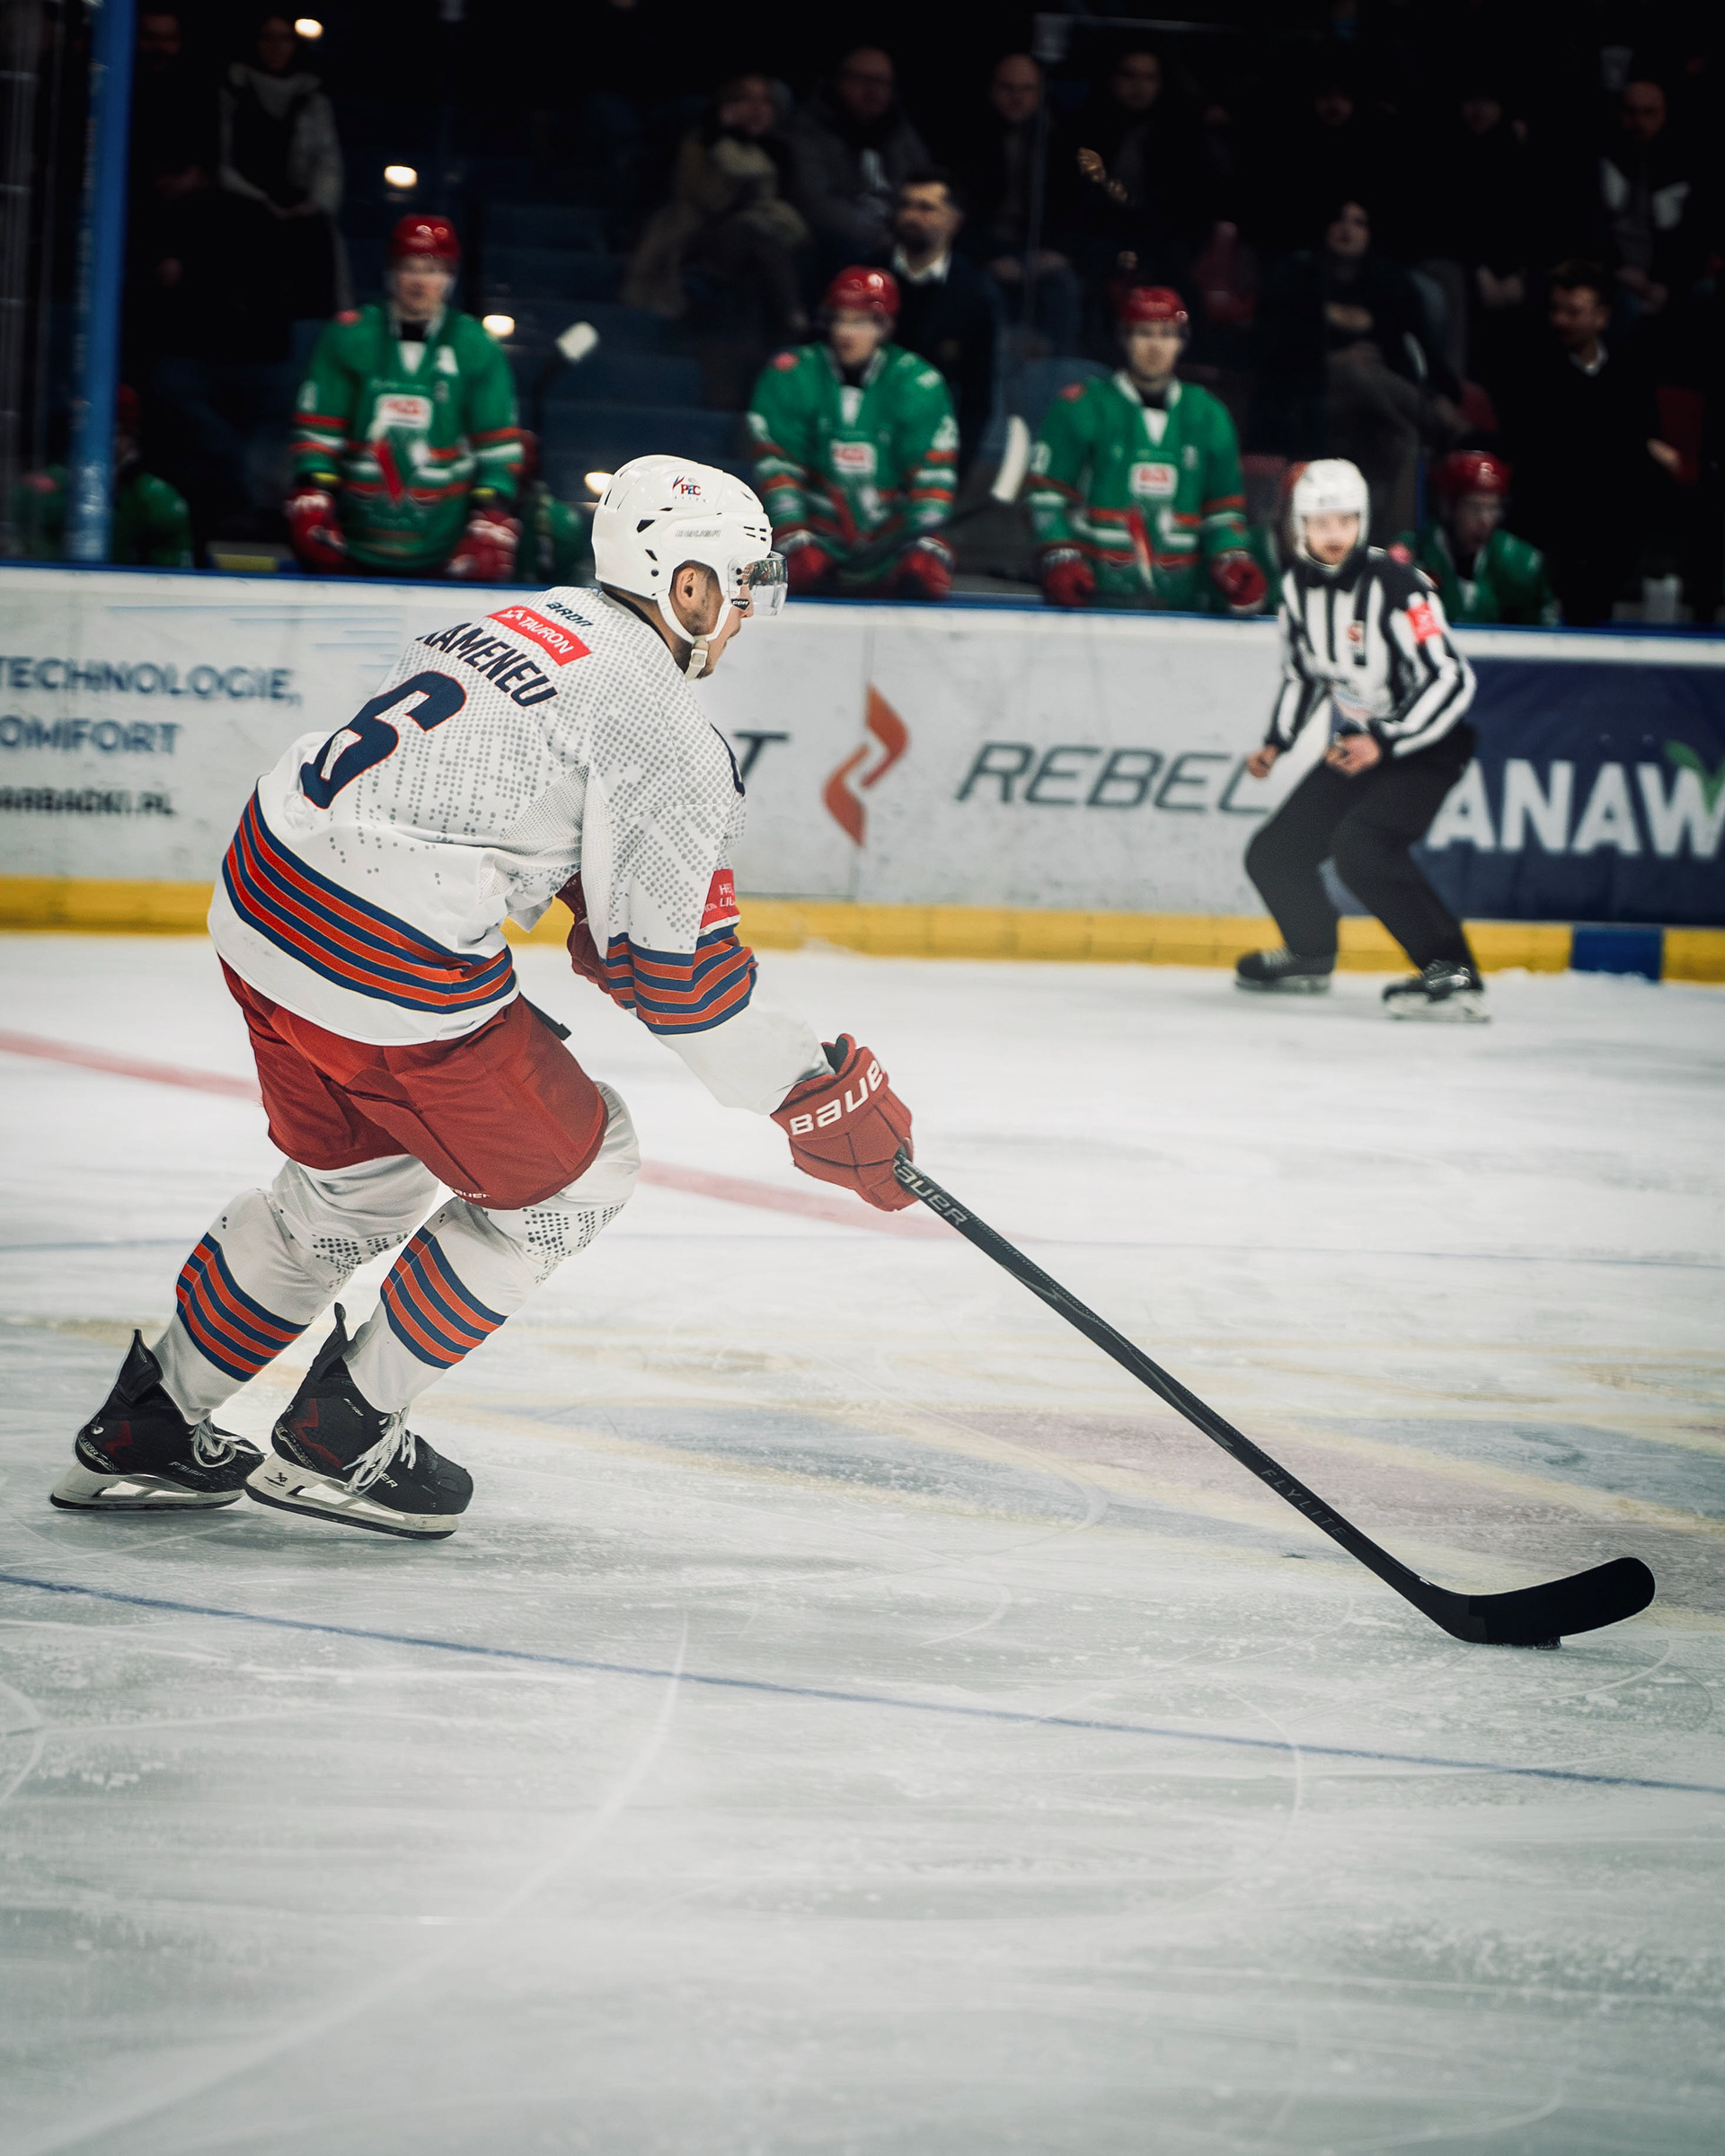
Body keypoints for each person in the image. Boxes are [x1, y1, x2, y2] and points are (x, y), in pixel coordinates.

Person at [49, 455, 918, 1538]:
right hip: (383, 958)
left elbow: (479, 803)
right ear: (686, 583)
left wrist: (605, 911)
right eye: (740, 586)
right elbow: (684, 982)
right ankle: (341, 1435)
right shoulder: (666, 729)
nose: (744, 613)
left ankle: (149, 1428)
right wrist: (814, 1093)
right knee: (581, 1170)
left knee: (347, 1193)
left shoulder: (522, 619)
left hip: (263, 896)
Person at [1235, 459, 1485, 1021]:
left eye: (1346, 521)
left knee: (1363, 848)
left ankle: (1454, 972)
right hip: (1359, 744)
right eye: (1321, 523)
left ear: (1362, 522)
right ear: (1299, 527)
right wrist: (1277, 741)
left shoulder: (1398, 585)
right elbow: (1305, 676)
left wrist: (1388, 741)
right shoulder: (1295, 589)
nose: (1335, 534)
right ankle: (1309, 951)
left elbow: (1451, 678)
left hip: (1425, 746)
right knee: (1274, 853)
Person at [287, 214, 522, 580]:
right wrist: (314, 495)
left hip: (444, 552)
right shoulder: (349, 336)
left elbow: (498, 452)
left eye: (433, 269)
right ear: (390, 271)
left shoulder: (476, 345)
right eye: (408, 267)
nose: (419, 281)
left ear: (450, 277)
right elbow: (318, 438)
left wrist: (492, 513)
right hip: (348, 546)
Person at [1026, 285, 1263, 614]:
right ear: (1124, 338)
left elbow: (1223, 512)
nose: (1155, 346)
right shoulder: (1081, 407)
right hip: (1091, 601)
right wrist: (1059, 557)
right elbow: (1046, 499)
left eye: (1166, 334)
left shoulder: (1208, 415)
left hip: (1183, 607)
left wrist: (1233, 560)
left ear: (1182, 341)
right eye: (1144, 333)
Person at [747, 266, 959, 600]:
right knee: (764, 583)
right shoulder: (790, 374)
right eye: (840, 320)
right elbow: (778, 468)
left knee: (927, 575)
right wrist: (793, 534)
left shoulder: (919, 383)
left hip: (893, 548)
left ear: (885, 326)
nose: (846, 332)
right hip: (809, 548)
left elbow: (931, 479)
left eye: (860, 322)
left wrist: (925, 542)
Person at [1254, 199, 1460, 541]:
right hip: (1312, 395)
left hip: (1375, 403)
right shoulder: (1297, 275)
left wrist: (1441, 389)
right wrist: (1331, 361)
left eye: (1358, 222)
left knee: (1406, 441)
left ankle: (1398, 547)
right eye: (1339, 220)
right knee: (1358, 374)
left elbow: (1418, 347)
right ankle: (1434, 415)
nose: (1347, 229)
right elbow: (1271, 350)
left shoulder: (1388, 282)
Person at [1499, 260, 1677, 625]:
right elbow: (1544, 441)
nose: (1560, 320)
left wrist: (1639, 445)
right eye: (1556, 310)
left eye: (1573, 312)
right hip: (1551, 502)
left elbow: (1642, 434)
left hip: (1610, 506)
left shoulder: (1628, 368)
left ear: (1602, 316)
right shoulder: (1534, 365)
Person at [621, 72, 809, 340]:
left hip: (761, 245)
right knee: (752, 232)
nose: (756, 108)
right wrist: (721, 141)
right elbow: (709, 202)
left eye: (765, 101)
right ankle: (793, 318)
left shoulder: (782, 151)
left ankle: (785, 329)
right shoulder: (702, 144)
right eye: (745, 99)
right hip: (698, 238)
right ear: (726, 106)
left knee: (769, 243)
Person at [217, 13, 343, 323]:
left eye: (285, 38)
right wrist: (261, 201)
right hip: (241, 216)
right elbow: (219, 159)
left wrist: (312, 204)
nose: (276, 47)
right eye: (268, 38)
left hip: (300, 219)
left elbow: (327, 160)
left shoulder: (312, 98)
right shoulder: (231, 93)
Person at [872, 171, 996, 477]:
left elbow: (977, 397)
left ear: (954, 220)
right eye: (906, 205)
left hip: (927, 453)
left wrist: (954, 472)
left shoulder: (974, 294)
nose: (911, 216)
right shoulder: (865, 275)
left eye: (926, 208)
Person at [956, 53, 1080, 353]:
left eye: (1026, 89)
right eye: (1008, 88)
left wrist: (1057, 251)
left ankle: (1054, 375)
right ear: (992, 89)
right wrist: (989, 256)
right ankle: (995, 370)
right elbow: (957, 211)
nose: (1017, 97)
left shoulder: (1058, 139)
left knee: (1062, 287)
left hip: (1039, 249)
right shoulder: (965, 137)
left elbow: (1076, 208)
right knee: (985, 290)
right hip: (983, 250)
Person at [13, 387, 194, 568]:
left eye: (118, 431)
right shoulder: (39, 492)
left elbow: (173, 577)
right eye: (86, 428)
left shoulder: (156, 499)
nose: (98, 438)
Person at [788, 48, 930, 267]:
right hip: (843, 243)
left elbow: (927, 185)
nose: (874, 90)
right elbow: (817, 204)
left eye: (883, 82)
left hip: (903, 235)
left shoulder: (900, 132)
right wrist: (884, 240)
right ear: (838, 80)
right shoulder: (809, 132)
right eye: (862, 79)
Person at [1392, 450, 1556, 624]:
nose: (1485, 520)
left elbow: (1544, 631)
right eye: (1474, 507)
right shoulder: (1414, 552)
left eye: (1493, 508)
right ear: (1448, 507)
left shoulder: (1520, 561)